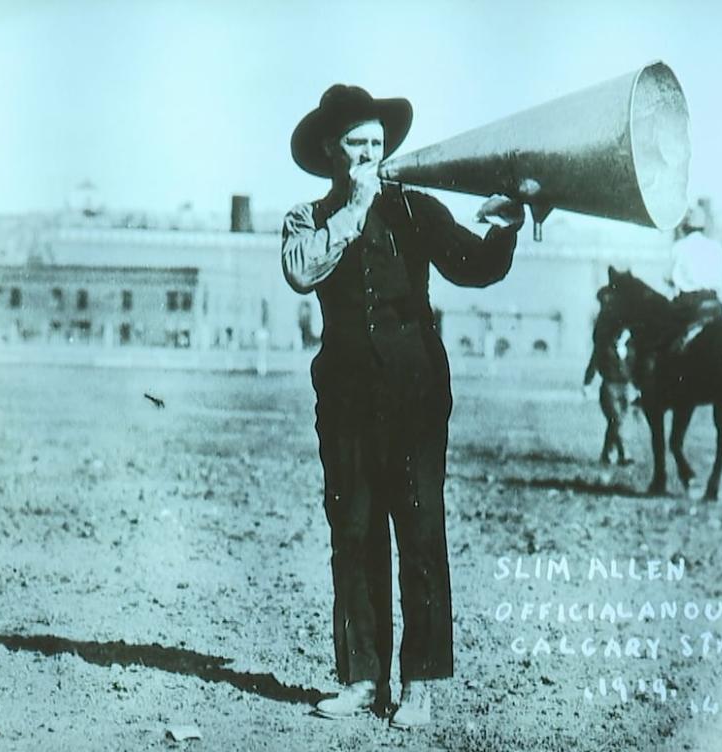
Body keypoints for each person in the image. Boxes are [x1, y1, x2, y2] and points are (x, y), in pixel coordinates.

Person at [281, 84, 525, 730]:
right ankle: (362, 677)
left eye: (376, 144)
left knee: (419, 535)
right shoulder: (307, 219)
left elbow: (473, 266)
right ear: (331, 152)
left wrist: (506, 226)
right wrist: (353, 211)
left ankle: (421, 685)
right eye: (355, 145)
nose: (368, 154)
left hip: (415, 399)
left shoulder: (416, 209)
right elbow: (301, 271)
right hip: (345, 403)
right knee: (353, 533)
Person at [582, 302, 636, 466]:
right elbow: (593, 363)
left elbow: (637, 368)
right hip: (609, 387)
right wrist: (587, 384)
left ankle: (606, 454)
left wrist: (638, 388)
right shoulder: (604, 346)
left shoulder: (631, 347)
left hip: (626, 387)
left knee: (616, 423)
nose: (623, 333)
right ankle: (624, 454)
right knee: (616, 419)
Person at [668, 197, 722, 330]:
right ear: (703, 227)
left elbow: (673, 278)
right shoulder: (717, 247)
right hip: (714, 302)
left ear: (686, 226)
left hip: (689, 305)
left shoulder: (679, 247)